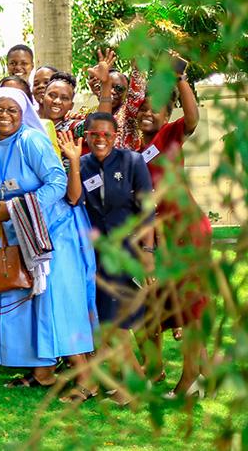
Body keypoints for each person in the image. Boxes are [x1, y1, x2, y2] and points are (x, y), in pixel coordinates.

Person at [0, 88, 97, 402]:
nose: (4, 116)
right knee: (26, 300)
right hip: (21, 234)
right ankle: (42, 372)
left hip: (55, 233)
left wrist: (12, 207)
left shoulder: (32, 141)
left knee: (58, 303)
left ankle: (88, 380)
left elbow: (58, 183)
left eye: (12, 110)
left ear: (23, 112)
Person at [133, 65, 211, 400]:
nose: (149, 113)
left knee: (189, 304)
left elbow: (193, 118)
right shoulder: (137, 151)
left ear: (167, 115)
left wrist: (180, 78)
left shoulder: (171, 134)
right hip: (156, 237)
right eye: (144, 109)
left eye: (156, 110)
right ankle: (197, 372)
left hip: (184, 229)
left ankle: (190, 380)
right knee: (161, 304)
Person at [78, 110, 154, 402]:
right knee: (106, 322)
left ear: (116, 136)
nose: (100, 140)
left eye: (107, 134)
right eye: (94, 134)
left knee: (118, 323)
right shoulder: (80, 165)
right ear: (86, 136)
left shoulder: (132, 161)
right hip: (93, 255)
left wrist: (148, 252)